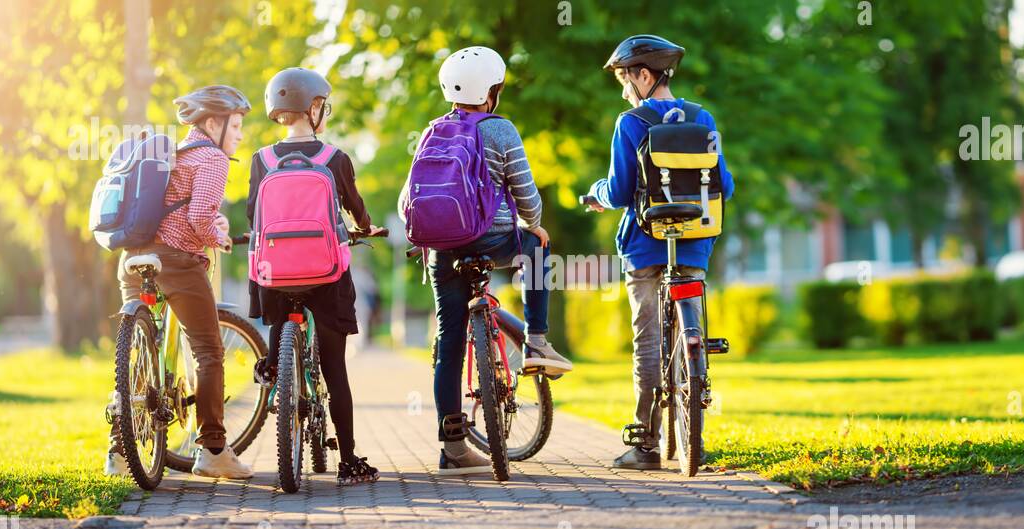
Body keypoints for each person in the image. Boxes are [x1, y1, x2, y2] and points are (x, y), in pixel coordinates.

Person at [401, 46, 572, 475]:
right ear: (492, 90)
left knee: (450, 342)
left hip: (442, 249)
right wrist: (534, 223)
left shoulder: (431, 131)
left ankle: (453, 447)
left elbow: (408, 199)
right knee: (537, 247)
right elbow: (527, 197)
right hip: (493, 240)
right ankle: (536, 339)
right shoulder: (501, 130)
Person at [584, 35, 735, 470]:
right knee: (691, 322)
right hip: (694, 244)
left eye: (625, 79)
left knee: (647, 340)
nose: (624, 89)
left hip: (645, 247)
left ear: (644, 76)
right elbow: (725, 185)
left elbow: (616, 191)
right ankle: (695, 373)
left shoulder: (631, 122)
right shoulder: (702, 117)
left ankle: (646, 443)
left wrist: (594, 195)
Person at [107, 85, 255, 479]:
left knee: (139, 349)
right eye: (236, 125)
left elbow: (178, 207)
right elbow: (198, 219)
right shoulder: (211, 158)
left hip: (134, 258)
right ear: (212, 123)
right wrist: (220, 237)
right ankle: (213, 450)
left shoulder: (173, 153)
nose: (240, 134)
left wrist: (212, 225)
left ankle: (119, 452)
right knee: (209, 351)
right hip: (176, 262)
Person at [247, 67, 385, 486]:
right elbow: (355, 210)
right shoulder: (334, 159)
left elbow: (255, 213)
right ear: (313, 108)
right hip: (326, 274)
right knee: (335, 368)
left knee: (279, 314)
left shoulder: (262, 160)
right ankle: (348, 461)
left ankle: (274, 366)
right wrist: (366, 227)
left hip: (274, 273)